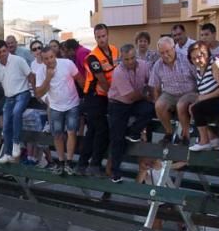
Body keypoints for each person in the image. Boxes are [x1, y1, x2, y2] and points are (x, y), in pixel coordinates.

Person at [107, 43, 155, 182]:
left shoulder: (144, 65)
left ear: (136, 56)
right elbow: (130, 96)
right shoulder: (118, 72)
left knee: (150, 109)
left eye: (132, 58)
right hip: (118, 103)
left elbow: (151, 83)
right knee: (117, 139)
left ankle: (133, 132)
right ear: (122, 58)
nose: (130, 61)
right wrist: (146, 94)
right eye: (126, 59)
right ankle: (116, 172)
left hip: (135, 101)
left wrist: (151, 96)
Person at [76, 24, 119, 175]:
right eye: (98, 37)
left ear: (108, 35)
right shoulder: (92, 57)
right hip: (94, 97)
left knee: (93, 131)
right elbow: (102, 80)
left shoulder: (114, 50)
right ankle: (94, 164)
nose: (101, 39)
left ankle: (82, 164)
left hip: (105, 97)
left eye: (103, 36)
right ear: (95, 38)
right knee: (102, 130)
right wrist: (116, 97)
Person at [33, 46, 80, 175]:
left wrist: (85, 95)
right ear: (42, 60)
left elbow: (79, 78)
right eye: (46, 59)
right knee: (57, 134)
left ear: (55, 55)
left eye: (51, 57)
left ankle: (69, 162)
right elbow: (38, 92)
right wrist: (48, 78)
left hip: (72, 103)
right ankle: (60, 161)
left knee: (71, 132)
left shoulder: (67, 64)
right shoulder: (41, 71)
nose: (49, 61)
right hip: (55, 106)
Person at [148, 37, 197, 146]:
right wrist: (157, 101)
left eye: (167, 51)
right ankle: (169, 133)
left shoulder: (187, 59)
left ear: (174, 48)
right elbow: (155, 87)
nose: (165, 55)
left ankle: (185, 136)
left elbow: (198, 78)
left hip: (189, 92)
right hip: (170, 93)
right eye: (162, 53)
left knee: (181, 104)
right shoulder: (158, 65)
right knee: (159, 105)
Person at [0, 39, 32, 164]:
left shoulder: (18, 60)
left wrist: (35, 91)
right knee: (6, 124)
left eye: (4, 51)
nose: (2, 54)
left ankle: (16, 143)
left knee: (16, 112)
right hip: (9, 96)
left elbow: (30, 75)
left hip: (23, 93)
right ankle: (7, 153)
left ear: (8, 50)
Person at [187, 41, 219, 152]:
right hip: (210, 99)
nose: (197, 61)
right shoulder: (199, 67)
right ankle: (212, 137)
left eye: (199, 57)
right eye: (193, 59)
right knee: (191, 108)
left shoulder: (215, 65)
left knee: (196, 108)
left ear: (206, 54)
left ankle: (204, 141)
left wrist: (204, 97)